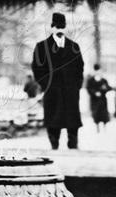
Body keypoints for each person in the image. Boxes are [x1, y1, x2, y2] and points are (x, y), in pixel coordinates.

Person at [31, 12, 85, 150]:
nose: (59, 30)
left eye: (62, 27)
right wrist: (46, 85)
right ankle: (54, 146)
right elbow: (37, 69)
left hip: (70, 92)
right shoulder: (42, 47)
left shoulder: (74, 47)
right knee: (53, 122)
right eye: (56, 27)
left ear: (65, 28)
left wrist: (76, 86)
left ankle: (73, 147)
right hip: (52, 92)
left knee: (72, 124)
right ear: (51, 28)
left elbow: (80, 68)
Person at [86, 64, 111, 131]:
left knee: (104, 115)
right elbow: (88, 88)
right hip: (95, 101)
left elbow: (109, 87)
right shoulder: (91, 80)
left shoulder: (103, 80)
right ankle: (97, 128)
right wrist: (94, 93)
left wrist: (105, 88)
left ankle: (105, 128)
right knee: (96, 114)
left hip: (103, 100)